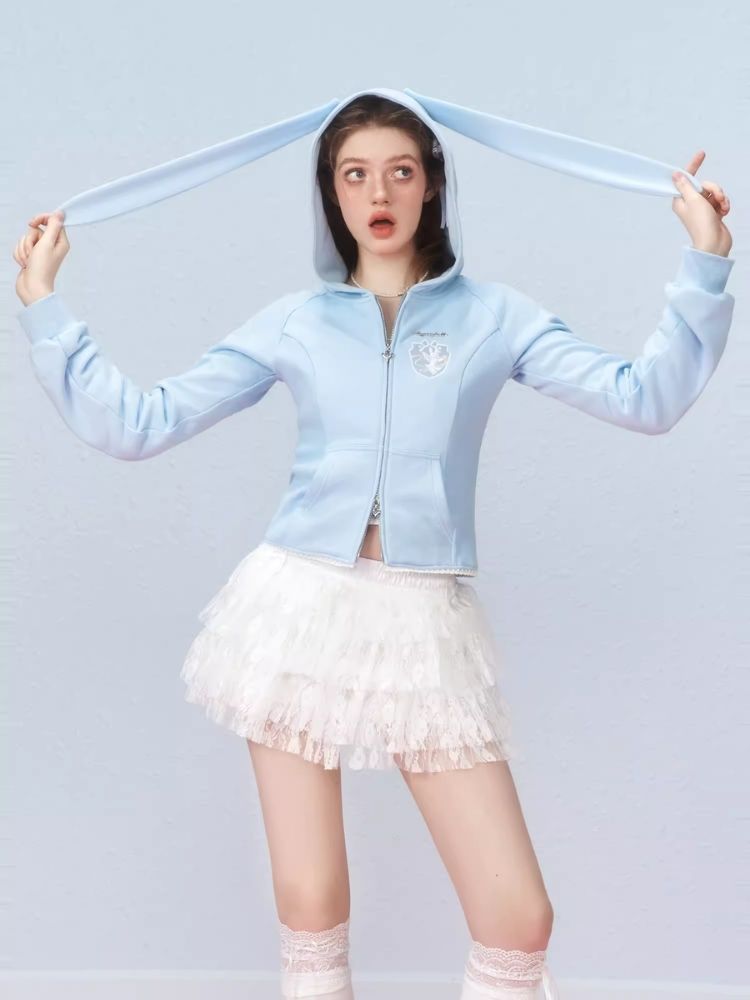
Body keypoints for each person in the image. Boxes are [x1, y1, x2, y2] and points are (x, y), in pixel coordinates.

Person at [13, 88, 734, 1000]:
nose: (378, 192)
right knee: (311, 901)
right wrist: (43, 304)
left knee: (518, 918)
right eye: (354, 175)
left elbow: (646, 398)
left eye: (400, 171)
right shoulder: (296, 322)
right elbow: (137, 423)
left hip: (421, 617)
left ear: (432, 185)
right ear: (332, 193)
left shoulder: (497, 317)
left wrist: (704, 265)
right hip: (293, 610)